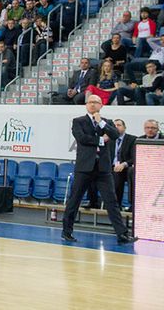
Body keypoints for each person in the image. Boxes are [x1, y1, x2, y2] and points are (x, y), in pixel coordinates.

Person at [62, 95, 138, 244]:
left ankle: (122, 235)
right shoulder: (79, 121)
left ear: (101, 105)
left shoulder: (107, 122)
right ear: (86, 105)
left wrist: (101, 123)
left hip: (103, 168)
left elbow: (115, 135)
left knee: (112, 202)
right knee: (74, 200)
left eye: (95, 102)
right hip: (84, 167)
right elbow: (81, 138)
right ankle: (67, 231)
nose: (92, 105)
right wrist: (101, 140)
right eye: (90, 102)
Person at [110, 119, 136, 211]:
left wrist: (124, 164)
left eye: (119, 125)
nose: (116, 127)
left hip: (125, 168)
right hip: (110, 167)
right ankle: (94, 202)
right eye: (114, 125)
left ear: (124, 127)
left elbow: (134, 158)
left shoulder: (132, 139)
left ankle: (116, 206)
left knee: (117, 174)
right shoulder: (109, 139)